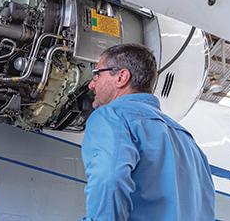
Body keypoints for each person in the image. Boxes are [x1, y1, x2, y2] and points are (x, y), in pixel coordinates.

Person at [82, 43, 215, 221]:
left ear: (122, 77)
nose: (91, 84)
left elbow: (109, 180)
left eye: (97, 74)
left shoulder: (111, 117)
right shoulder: (188, 141)